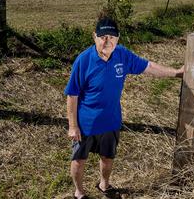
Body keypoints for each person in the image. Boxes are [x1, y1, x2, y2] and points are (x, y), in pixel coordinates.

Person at [64, 16, 184, 199]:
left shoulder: (122, 55)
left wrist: (176, 73)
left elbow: (148, 66)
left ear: (118, 38)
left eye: (111, 37)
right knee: (79, 161)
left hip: (111, 121)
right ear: (94, 36)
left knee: (107, 158)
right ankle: (79, 192)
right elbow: (72, 94)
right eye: (102, 36)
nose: (107, 41)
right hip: (85, 124)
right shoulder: (83, 60)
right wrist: (73, 126)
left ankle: (104, 185)